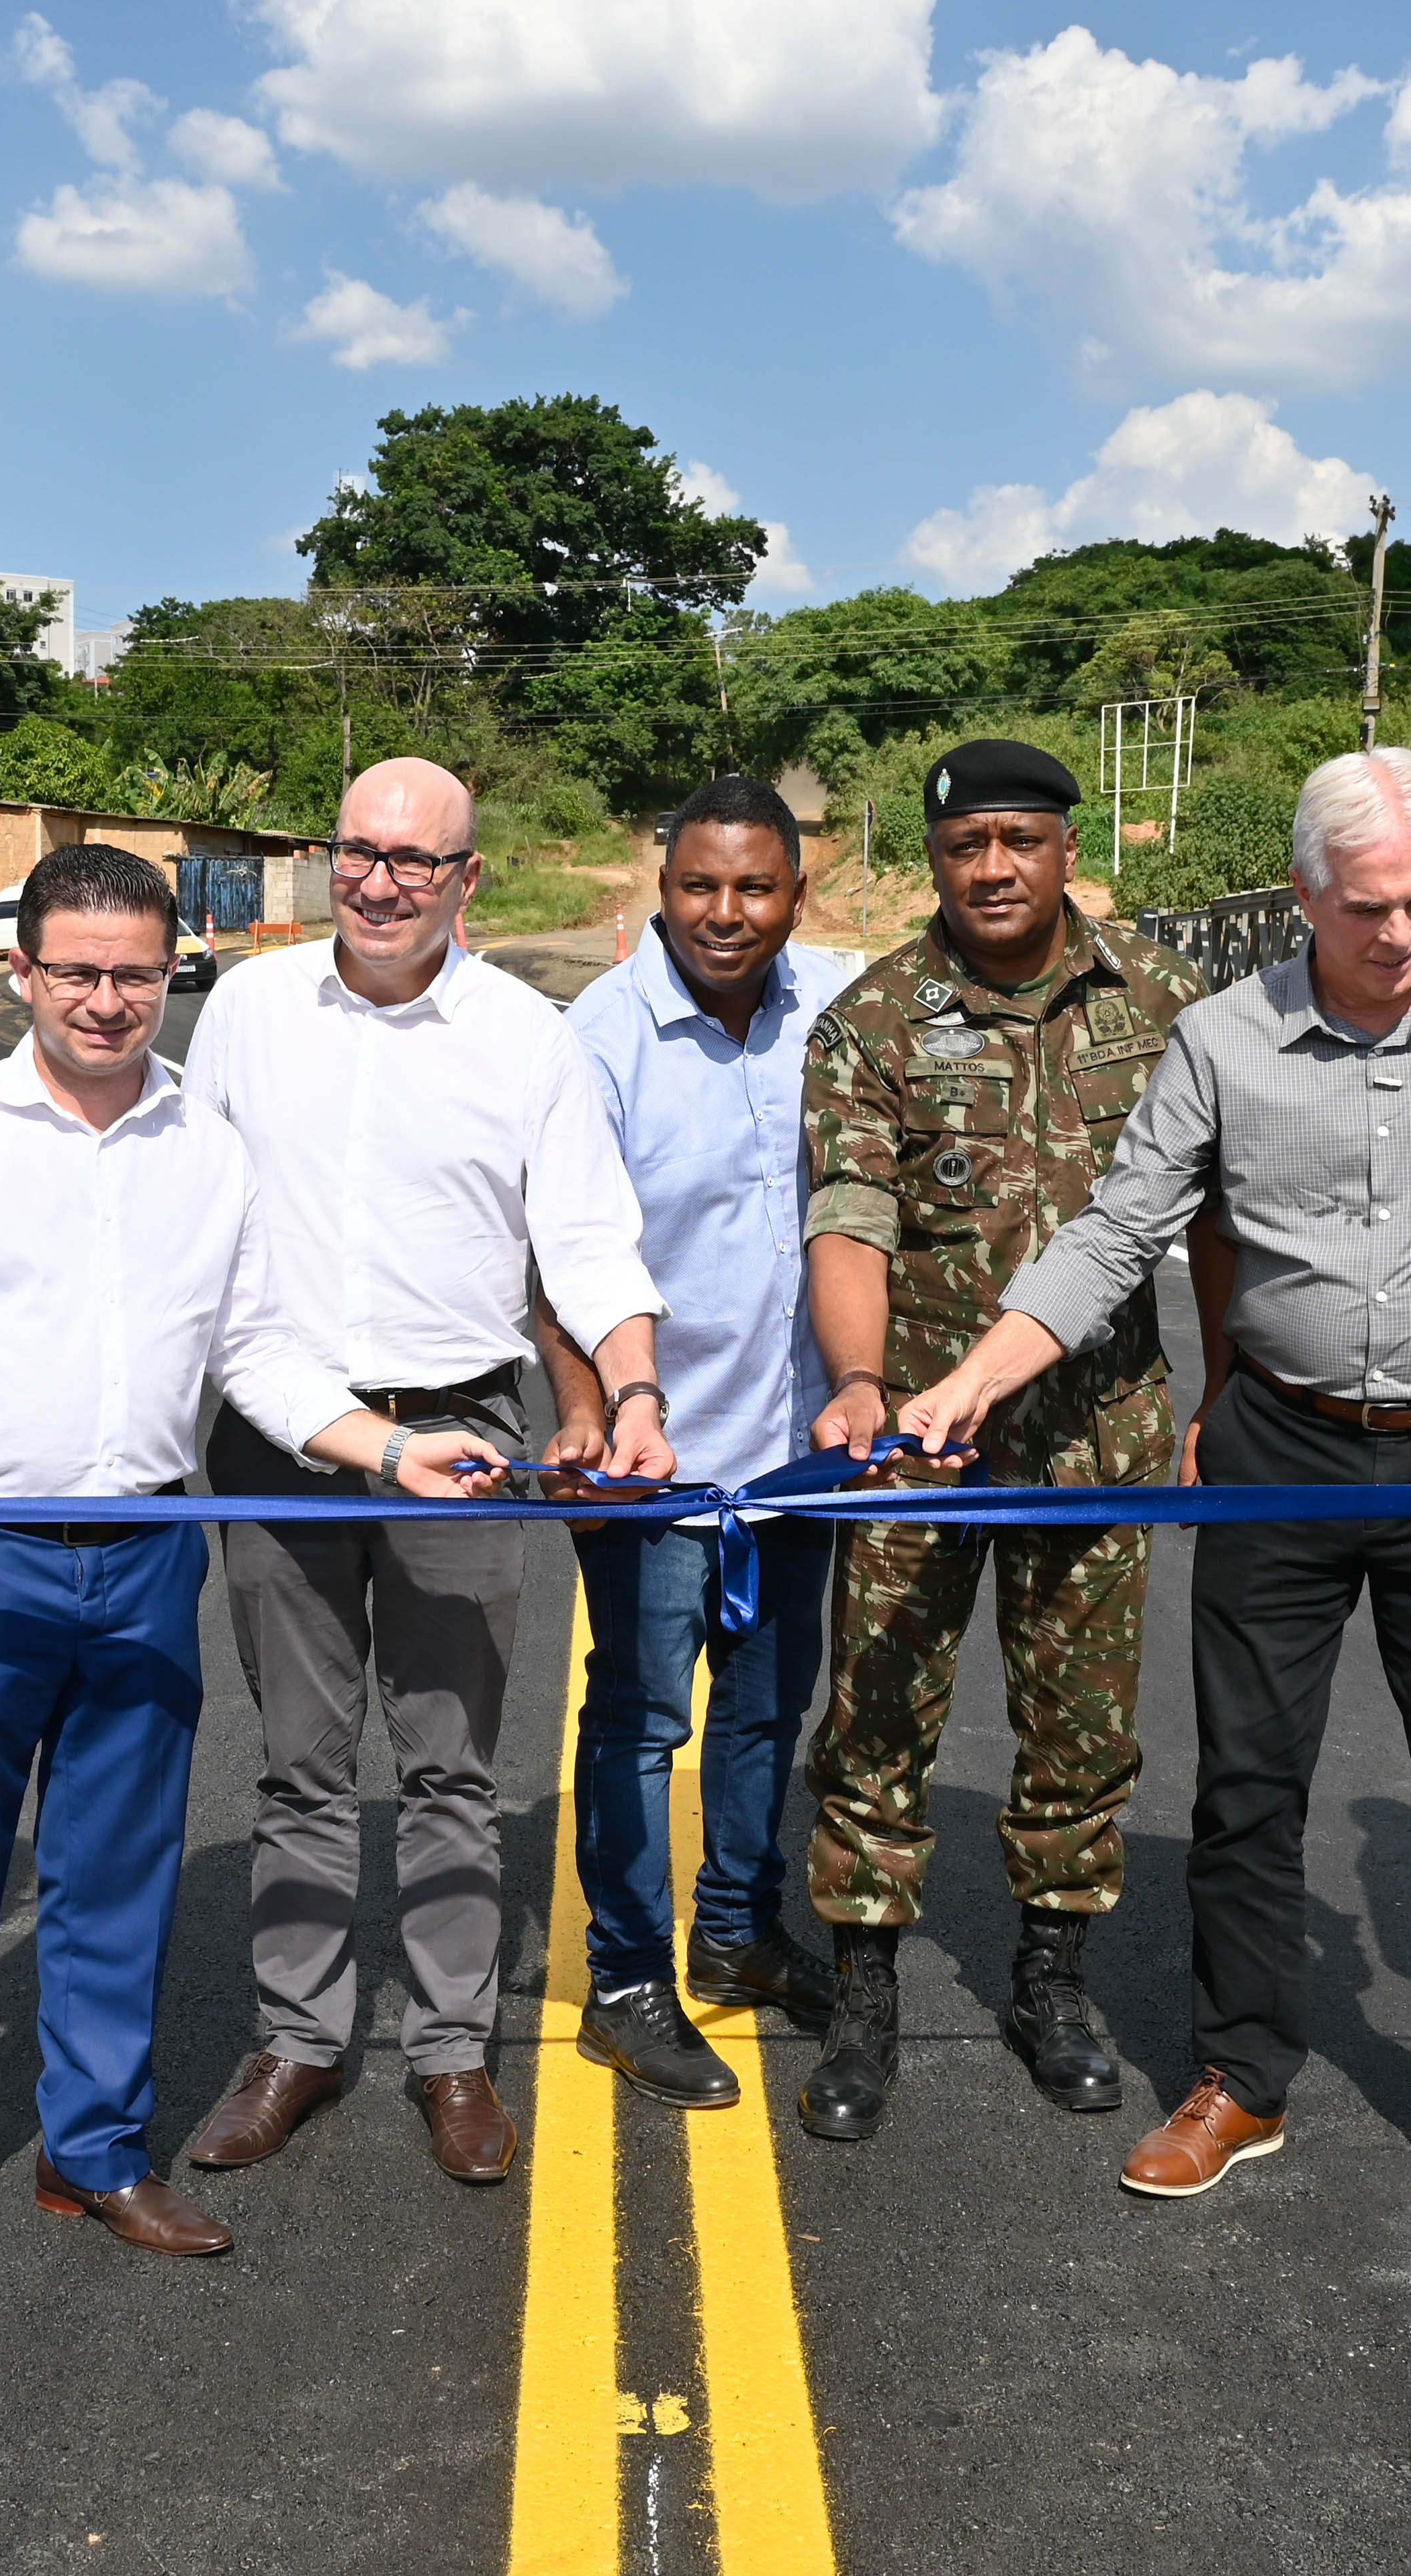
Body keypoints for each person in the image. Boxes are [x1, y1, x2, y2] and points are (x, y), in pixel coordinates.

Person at [905, 746, 1411, 2242]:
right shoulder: (1224, 1041)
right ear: (1307, 894)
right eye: (1370, 906)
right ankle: (1242, 2075)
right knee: (1246, 1787)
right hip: (1279, 1452)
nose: (1402, 933)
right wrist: (975, 1378)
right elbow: (1119, 1232)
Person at [0, 842, 509, 2300]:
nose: (107, 999)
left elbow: (255, 1351)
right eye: (78, 969)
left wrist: (389, 1448)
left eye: (135, 972)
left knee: (114, 1884)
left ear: (170, 971)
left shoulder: (207, 1144)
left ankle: (98, 2151)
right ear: (24, 973)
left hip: (143, 1556)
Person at [176, 756, 674, 2188]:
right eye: (360, 850)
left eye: (416, 859)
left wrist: (631, 1385)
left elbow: (586, 1240)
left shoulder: (528, 1038)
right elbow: (191, 1215)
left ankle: (453, 2054)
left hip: (460, 1438)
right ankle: (298, 2038)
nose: (382, 880)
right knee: (301, 1765)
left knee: (454, 1760)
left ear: (468, 880)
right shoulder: (251, 1014)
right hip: (279, 1435)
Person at [794, 738, 1211, 2145]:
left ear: (1067, 850)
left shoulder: (1164, 1004)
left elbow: (1217, 1216)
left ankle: (1054, 1977)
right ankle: (862, 1987)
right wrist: (857, 1379)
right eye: (966, 844)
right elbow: (851, 1212)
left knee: (1080, 1725)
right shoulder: (875, 1020)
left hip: (1100, 1436)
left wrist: (1231, 1389)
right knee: (878, 1717)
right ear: (934, 859)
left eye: (1019, 840)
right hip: (920, 1443)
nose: (992, 866)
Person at [535, 774, 860, 2109]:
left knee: (770, 1701)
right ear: (657, 890)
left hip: (798, 1448)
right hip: (653, 1456)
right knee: (640, 1716)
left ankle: (735, 1924)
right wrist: (588, 1411)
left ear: (799, 890)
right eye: (698, 886)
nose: (726, 914)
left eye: (756, 887)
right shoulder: (596, 1037)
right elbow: (556, 1245)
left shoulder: (838, 1006)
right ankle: (625, 1979)